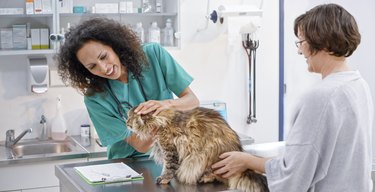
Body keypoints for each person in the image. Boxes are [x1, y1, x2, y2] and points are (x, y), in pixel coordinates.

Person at [212, 3, 373, 191]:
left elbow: (293, 177)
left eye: (302, 42)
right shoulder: (358, 85)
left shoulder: (320, 97)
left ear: (323, 42)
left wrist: (248, 160)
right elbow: (310, 161)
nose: (299, 51)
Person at [57, 17, 199, 159]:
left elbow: (192, 101)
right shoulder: (94, 98)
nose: (104, 68)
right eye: (92, 66)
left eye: (104, 56)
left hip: (169, 156)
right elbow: (141, 146)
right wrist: (157, 118)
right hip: (129, 164)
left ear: (114, 45)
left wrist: (166, 105)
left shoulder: (153, 54)